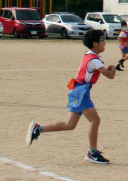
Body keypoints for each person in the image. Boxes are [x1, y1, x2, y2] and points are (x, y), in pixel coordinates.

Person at [26, 29, 117, 164]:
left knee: (70, 124)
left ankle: (38, 129)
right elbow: (110, 76)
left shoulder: (89, 55)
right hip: (81, 92)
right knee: (95, 120)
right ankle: (92, 152)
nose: (105, 43)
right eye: (102, 40)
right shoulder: (95, 60)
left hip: (76, 90)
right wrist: (113, 69)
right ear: (95, 44)